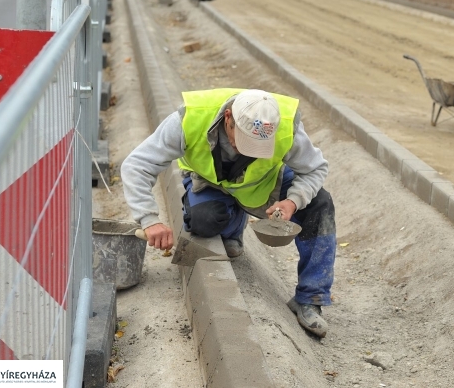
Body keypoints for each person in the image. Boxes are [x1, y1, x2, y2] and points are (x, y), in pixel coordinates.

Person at [121, 88, 336, 338]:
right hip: (211, 183)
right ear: (227, 119)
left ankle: (310, 297)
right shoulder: (190, 118)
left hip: (263, 184)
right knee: (203, 221)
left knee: (320, 203)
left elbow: (315, 169)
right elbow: (137, 164)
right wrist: (149, 220)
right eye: (245, 141)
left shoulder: (286, 125)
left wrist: (292, 201)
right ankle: (233, 229)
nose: (248, 151)